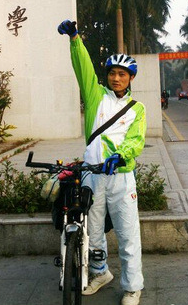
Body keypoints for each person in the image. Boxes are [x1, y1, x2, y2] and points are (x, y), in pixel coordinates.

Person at [58, 19, 146, 305]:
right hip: (92, 177)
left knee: (128, 234)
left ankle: (132, 287)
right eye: (112, 73)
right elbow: (83, 69)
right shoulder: (96, 97)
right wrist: (74, 39)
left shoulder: (137, 109)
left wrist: (122, 156)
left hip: (121, 178)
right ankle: (100, 272)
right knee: (92, 232)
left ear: (131, 78)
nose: (116, 78)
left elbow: (136, 140)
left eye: (122, 74)